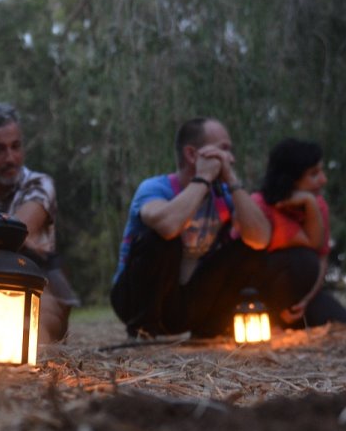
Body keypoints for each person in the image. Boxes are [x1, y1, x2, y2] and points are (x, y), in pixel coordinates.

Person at [111, 117, 272, 338]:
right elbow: (168, 227)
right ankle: (142, 330)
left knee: (247, 249)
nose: (231, 159)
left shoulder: (224, 195)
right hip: (133, 301)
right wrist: (204, 176)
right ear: (192, 155)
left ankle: (210, 329)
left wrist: (232, 181)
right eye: (223, 150)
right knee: (161, 238)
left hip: (184, 305)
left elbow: (261, 238)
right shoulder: (154, 188)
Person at [0, 103, 77, 342]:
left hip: (37, 279)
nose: (10, 158)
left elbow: (12, 233)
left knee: (41, 315)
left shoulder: (39, 183)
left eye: (16, 147)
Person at [251, 139, 346, 329]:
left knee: (338, 319)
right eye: (314, 174)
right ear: (290, 178)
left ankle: (295, 313)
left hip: (303, 290)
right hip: (265, 289)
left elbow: (321, 256)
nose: (323, 180)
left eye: (321, 172)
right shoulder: (259, 205)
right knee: (302, 258)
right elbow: (310, 247)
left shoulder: (317, 204)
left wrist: (306, 299)